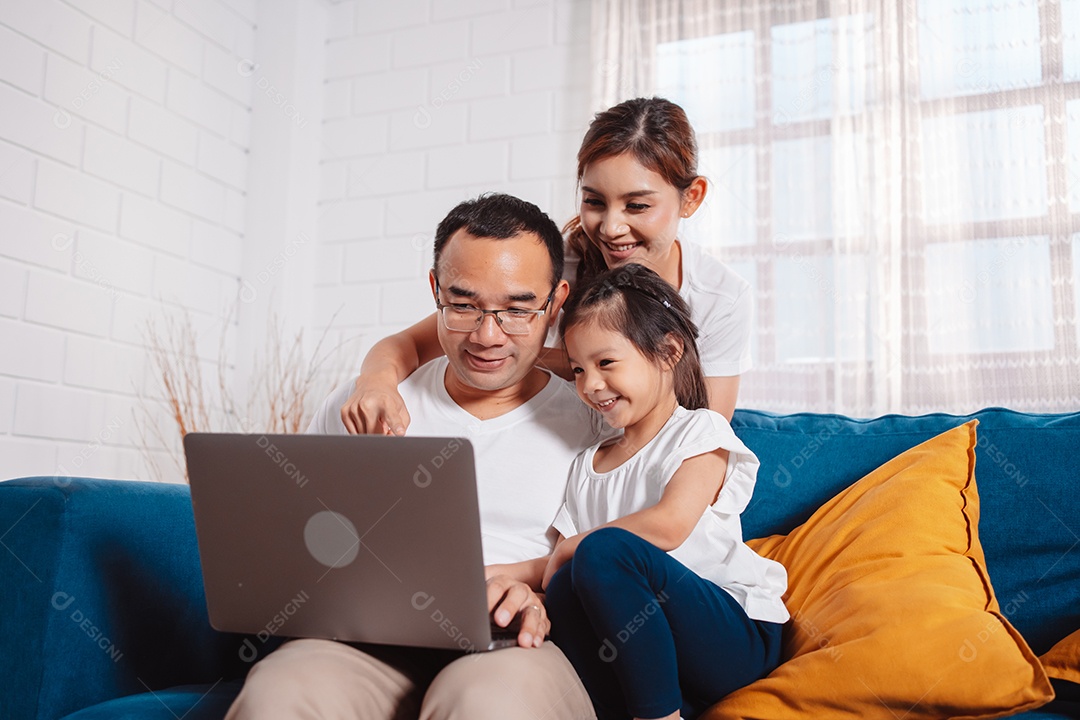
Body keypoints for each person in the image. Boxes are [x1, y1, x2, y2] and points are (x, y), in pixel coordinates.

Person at [225, 193, 612, 720]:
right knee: (280, 692)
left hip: (517, 643)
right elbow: (295, 541)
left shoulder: (595, 419)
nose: (487, 335)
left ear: (555, 301)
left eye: (518, 310)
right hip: (368, 644)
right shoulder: (367, 402)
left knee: (486, 704)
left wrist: (536, 588)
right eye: (463, 305)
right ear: (435, 290)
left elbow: (619, 556)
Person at [341, 97, 753, 435]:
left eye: (637, 205)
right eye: (593, 201)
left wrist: (550, 358)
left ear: (691, 197)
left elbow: (706, 433)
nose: (610, 228)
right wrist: (375, 383)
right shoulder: (557, 264)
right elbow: (411, 344)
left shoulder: (720, 297)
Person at [502, 263, 788, 720]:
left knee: (599, 552)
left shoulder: (699, 432)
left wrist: (578, 546)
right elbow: (557, 562)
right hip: (657, 652)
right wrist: (482, 575)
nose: (590, 385)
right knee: (565, 586)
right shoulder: (586, 465)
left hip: (734, 639)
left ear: (668, 351)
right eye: (577, 369)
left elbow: (671, 524)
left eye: (606, 363)